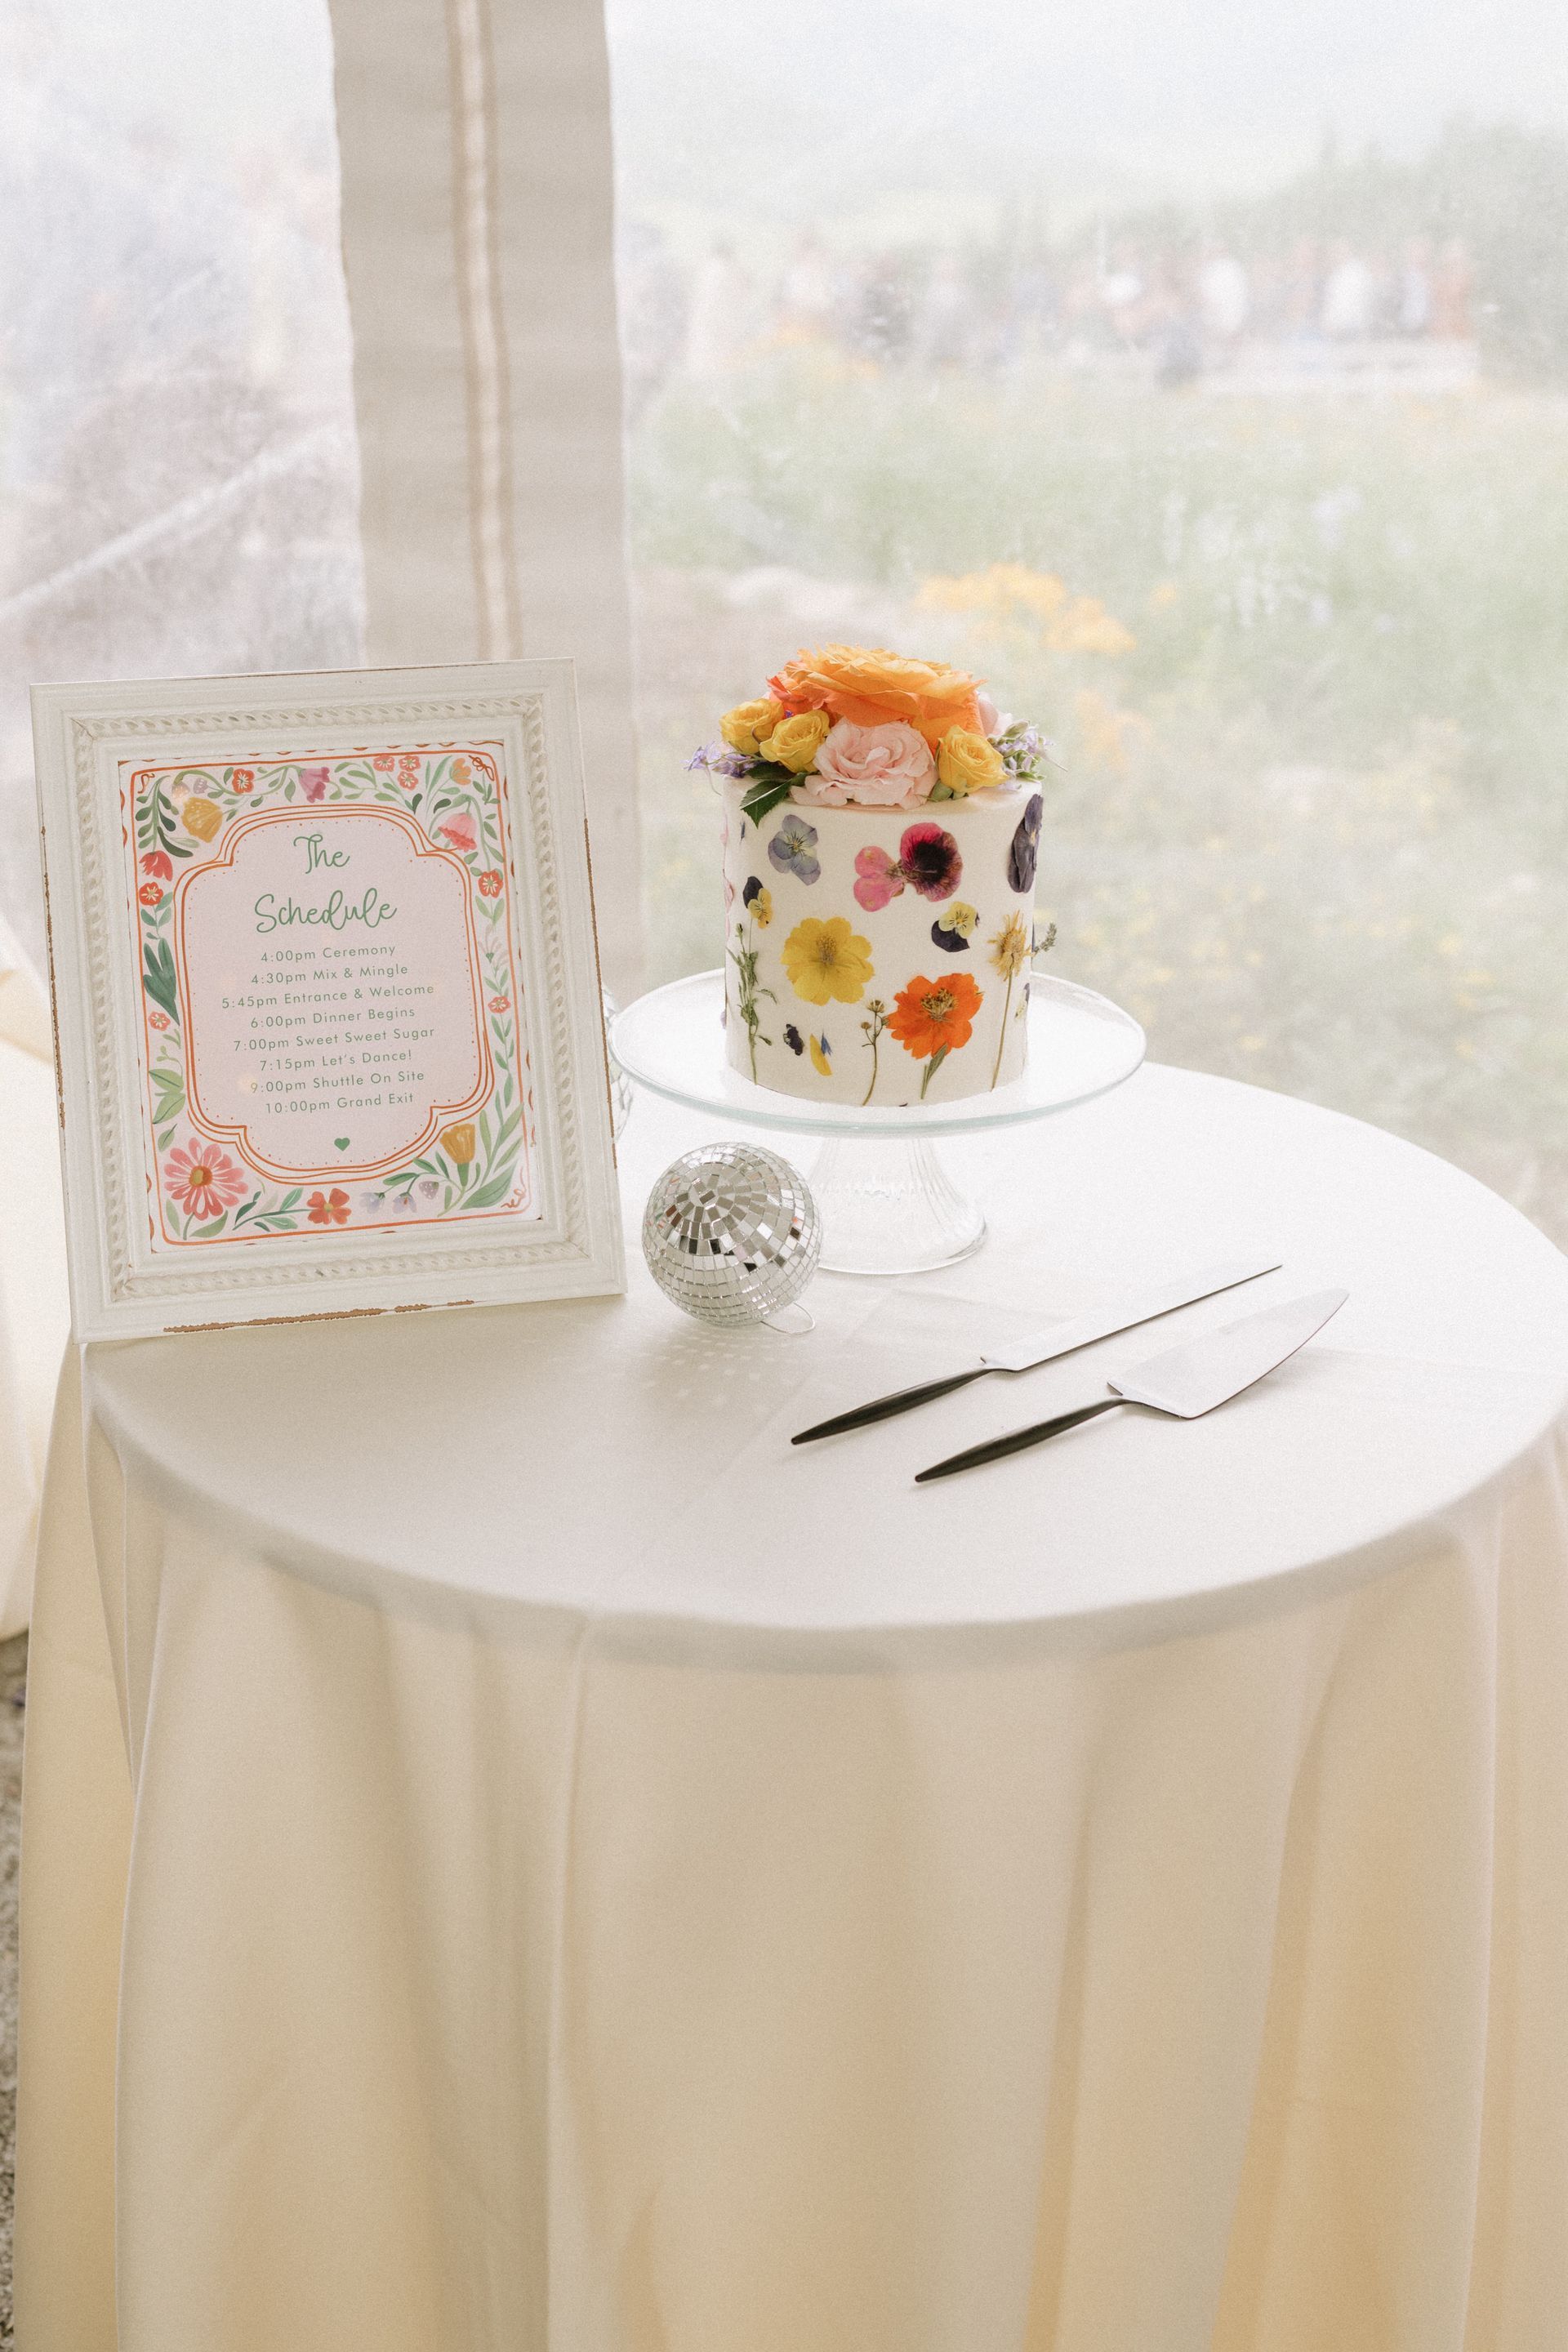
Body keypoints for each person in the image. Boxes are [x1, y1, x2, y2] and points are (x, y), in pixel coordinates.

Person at [1320, 242, 1374, 339]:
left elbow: (1351, 303)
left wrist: (1333, 324)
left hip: (1350, 328)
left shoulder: (1356, 273)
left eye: (1338, 250)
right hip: (1339, 329)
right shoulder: (1337, 272)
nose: (1333, 254)